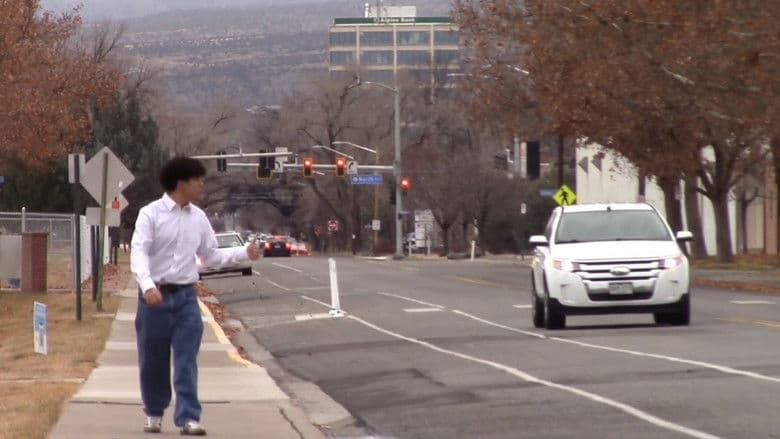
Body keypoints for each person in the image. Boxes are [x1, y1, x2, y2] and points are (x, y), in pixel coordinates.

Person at [130, 157, 260, 436]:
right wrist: (147, 285)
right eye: (197, 180)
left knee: (187, 360)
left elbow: (211, 255)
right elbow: (139, 252)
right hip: (155, 298)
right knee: (153, 361)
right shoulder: (150, 214)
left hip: (187, 298)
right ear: (181, 182)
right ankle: (154, 412)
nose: (202, 184)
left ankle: (189, 417)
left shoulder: (199, 218)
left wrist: (243, 254)